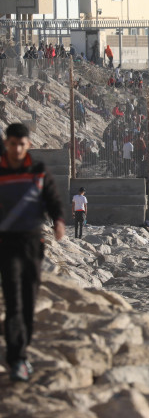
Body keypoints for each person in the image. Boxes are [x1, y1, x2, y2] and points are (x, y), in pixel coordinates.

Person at [0, 123, 65, 382]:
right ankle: (16, 358)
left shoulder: (38, 171)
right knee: (14, 299)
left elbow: (52, 199)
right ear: (7, 144)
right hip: (5, 244)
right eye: (12, 143)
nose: (16, 148)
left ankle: (23, 349)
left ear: (28, 144)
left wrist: (58, 221)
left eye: (21, 143)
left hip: (31, 243)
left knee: (29, 298)